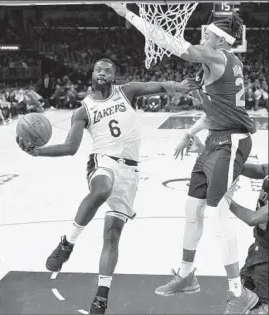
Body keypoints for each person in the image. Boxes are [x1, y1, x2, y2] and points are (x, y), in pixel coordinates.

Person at [16, 58, 197, 314]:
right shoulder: (83, 110)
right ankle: (67, 243)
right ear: (92, 74)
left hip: (130, 172)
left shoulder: (127, 91)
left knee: (112, 237)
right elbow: (70, 147)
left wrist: (176, 86)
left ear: (114, 76)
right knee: (101, 189)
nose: (103, 72)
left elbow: (154, 86)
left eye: (108, 70)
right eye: (99, 69)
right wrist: (38, 152)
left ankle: (101, 295)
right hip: (103, 163)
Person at [109, 4, 257, 313]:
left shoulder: (216, 57)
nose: (205, 35)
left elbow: (170, 43)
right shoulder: (220, 64)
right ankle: (187, 275)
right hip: (215, 140)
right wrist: (190, 132)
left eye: (210, 33)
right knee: (193, 210)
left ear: (221, 39)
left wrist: (128, 14)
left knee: (217, 214)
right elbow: (216, 109)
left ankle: (238, 292)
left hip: (231, 143)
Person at [190, 136, 268, 314]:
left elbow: (252, 218)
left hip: (267, 258)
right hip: (258, 248)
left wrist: (225, 199)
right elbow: (260, 169)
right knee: (239, 298)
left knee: (261, 307)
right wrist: (213, 156)